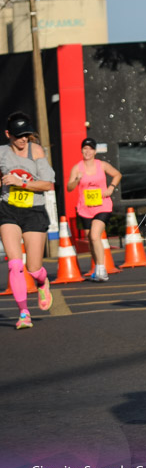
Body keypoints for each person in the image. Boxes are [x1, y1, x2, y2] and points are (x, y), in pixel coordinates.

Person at [1, 112, 55, 329]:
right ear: (8, 135)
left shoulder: (36, 151)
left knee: (33, 269)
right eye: (18, 136)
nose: (23, 139)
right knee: (15, 265)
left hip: (34, 211)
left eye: (26, 135)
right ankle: (24, 312)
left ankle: (42, 282)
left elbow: (47, 184)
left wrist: (19, 183)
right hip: (8, 210)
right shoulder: (2, 154)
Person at [66, 138, 122, 281]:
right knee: (90, 239)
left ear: (95, 151)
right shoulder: (77, 168)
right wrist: (77, 180)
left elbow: (117, 174)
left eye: (90, 149)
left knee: (95, 236)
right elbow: (69, 188)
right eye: (85, 148)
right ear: (81, 150)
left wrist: (111, 188)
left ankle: (102, 270)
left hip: (102, 206)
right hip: (85, 208)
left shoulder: (101, 165)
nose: (88, 151)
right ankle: (97, 268)